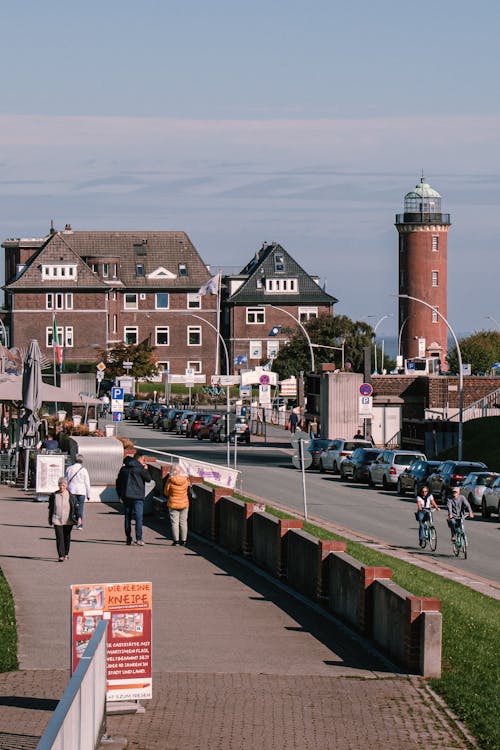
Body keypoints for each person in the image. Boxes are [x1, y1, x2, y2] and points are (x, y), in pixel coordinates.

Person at [115, 450, 152, 546]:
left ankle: (128, 538)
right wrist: (146, 469)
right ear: (139, 459)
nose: (144, 461)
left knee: (127, 517)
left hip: (126, 496)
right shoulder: (140, 469)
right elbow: (148, 479)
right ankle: (139, 538)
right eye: (144, 459)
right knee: (139, 518)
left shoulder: (124, 469)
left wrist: (120, 495)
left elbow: (118, 483)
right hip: (138, 497)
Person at [48, 477, 78, 561]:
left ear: (66, 485)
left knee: (66, 536)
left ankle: (66, 553)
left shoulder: (71, 496)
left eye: (63, 485)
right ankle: (61, 555)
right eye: (60, 485)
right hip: (57, 519)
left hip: (68, 520)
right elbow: (50, 508)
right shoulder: (54, 495)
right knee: (59, 537)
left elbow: (75, 507)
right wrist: (50, 518)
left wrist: (79, 517)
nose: (61, 487)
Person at [163, 464, 190, 546]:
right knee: (183, 522)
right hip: (184, 502)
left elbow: (166, 492)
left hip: (173, 503)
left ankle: (176, 541)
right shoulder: (186, 480)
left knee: (174, 522)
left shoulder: (170, 480)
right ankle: (184, 540)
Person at [65, 454, 91, 530]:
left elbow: (65, 480)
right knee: (80, 507)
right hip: (81, 491)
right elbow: (87, 483)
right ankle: (79, 522)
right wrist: (88, 494)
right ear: (82, 461)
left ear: (74, 460)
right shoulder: (84, 470)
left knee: (71, 507)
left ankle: (70, 522)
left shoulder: (69, 468)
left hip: (71, 490)